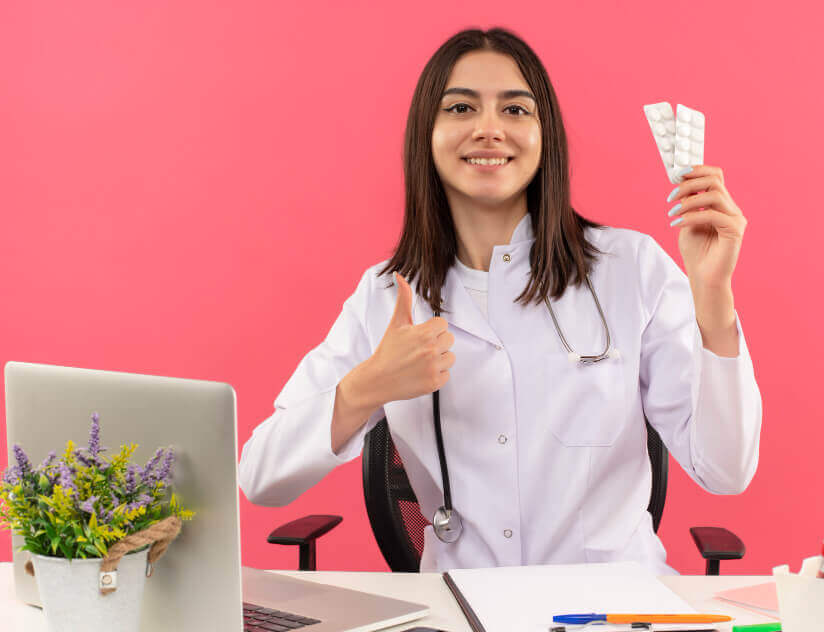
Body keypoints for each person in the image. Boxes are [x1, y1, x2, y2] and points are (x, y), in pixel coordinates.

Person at [238, 27, 761, 575]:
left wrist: (713, 295)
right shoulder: (386, 295)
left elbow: (726, 471)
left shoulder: (631, 268)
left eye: (515, 110)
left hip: (613, 619)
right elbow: (261, 477)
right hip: (461, 621)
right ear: (428, 134)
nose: (489, 130)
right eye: (461, 107)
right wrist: (366, 388)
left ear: (545, 137)